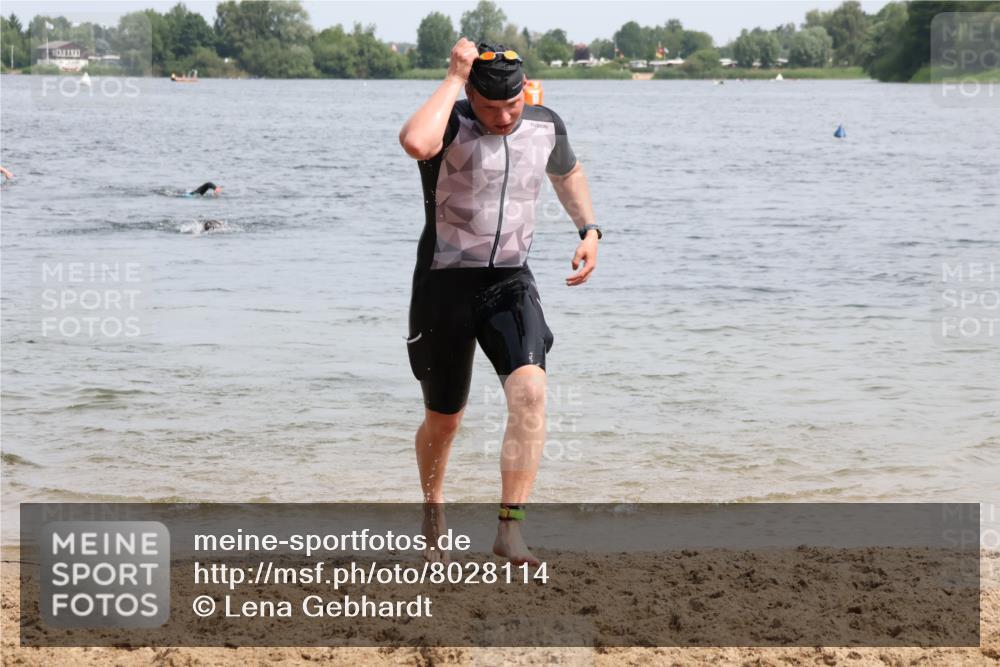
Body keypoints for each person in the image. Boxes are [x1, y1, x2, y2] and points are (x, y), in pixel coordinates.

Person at [398, 38, 601, 564]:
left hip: (509, 280)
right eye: (492, 108)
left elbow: (568, 172)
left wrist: (589, 228)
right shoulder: (449, 120)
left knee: (530, 390)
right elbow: (416, 144)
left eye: (512, 105)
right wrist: (451, 76)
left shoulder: (543, 123)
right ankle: (433, 507)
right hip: (443, 284)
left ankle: (509, 529)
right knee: (445, 420)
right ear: (469, 94)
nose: (505, 116)